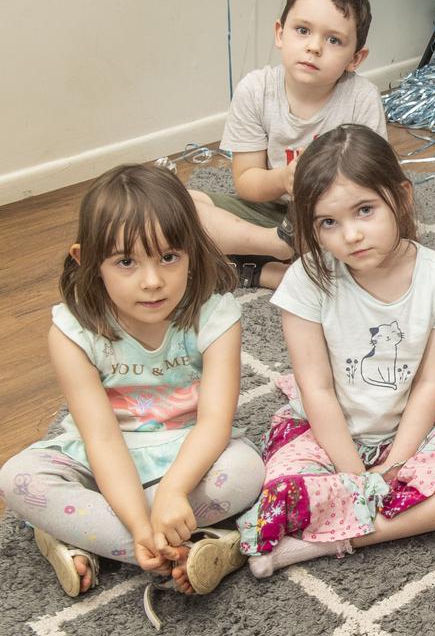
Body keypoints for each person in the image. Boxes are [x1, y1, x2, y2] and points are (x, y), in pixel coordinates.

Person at [235, 125, 435, 577]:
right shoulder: (306, 279)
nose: (351, 235)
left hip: (413, 428)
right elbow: (316, 389)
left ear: (401, 196)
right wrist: (355, 475)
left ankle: (325, 543)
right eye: (328, 223)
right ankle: (430, 509)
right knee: (280, 492)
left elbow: (429, 382)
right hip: (329, 434)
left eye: (365, 210)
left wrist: (396, 464)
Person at [0, 164, 263, 597]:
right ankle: (182, 546)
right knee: (18, 477)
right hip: (100, 458)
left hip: (189, 453)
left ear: (192, 252)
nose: (153, 281)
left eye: (169, 257)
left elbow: (215, 422)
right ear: (86, 260)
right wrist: (143, 523)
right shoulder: (72, 331)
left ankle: (87, 536)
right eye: (126, 262)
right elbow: (101, 439)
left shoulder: (216, 317)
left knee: (245, 471)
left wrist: (173, 492)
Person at [190, 0, 387, 290]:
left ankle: (260, 264)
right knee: (181, 206)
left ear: (356, 58)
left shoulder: (361, 98)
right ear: (281, 33)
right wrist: (283, 179)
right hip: (272, 218)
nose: (314, 47)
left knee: (384, 236)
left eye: (334, 40)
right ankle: (278, 249)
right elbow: (247, 182)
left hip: (335, 218)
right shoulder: (255, 90)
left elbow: (374, 185)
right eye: (303, 30)